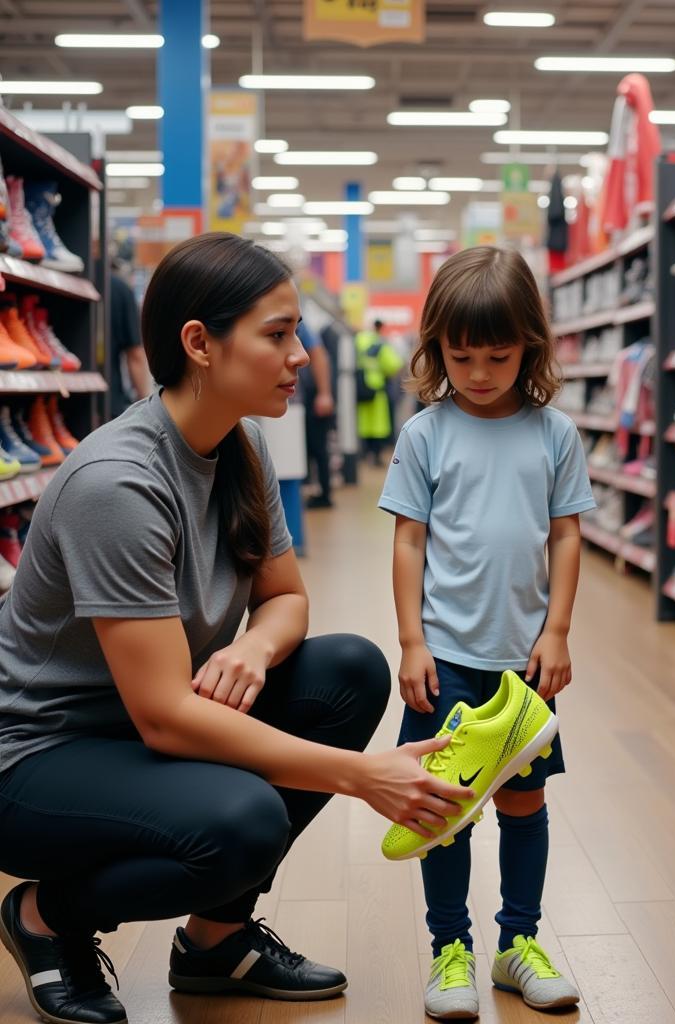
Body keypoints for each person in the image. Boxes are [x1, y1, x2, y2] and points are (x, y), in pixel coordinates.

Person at [0, 233, 473, 1024]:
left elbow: (286, 598)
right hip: (44, 760)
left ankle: (215, 942)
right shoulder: (117, 484)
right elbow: (163, 716)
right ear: (200, 345)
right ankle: (47, 918)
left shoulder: (242, 446)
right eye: (277, 334)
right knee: (244, 823)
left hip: (149, 727)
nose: (301, 356)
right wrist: (364, 778)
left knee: (351, 669)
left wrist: (253, 646)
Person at [378, 246, 596, 1019]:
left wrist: (559, 630)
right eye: (459, 355)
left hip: (524, 666)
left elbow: (567, 536)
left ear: (529, 346)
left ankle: (517, 943)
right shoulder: (426, 434)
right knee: (444, 813)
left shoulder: (554, 433)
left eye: (497, 356)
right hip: (445, 660)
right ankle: (449, 950)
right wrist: (411, 641)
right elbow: (408, 541)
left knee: (525, 807)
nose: (477, 371)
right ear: (436, 348)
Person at [298, 321, 336, 508]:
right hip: (307, 398)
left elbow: (319, 356)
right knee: (314, 448)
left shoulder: (303, 327)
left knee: (318, 448)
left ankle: (324, 495)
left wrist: (324, 394)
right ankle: (320, 492)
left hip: (312, 398)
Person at [355, 318, 402, 466]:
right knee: (378, 425)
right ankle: (376, 456)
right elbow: (394, 365)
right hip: (377, 389)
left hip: (360, 387)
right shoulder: (380, 343)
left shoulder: (358, 340)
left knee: (364, 424)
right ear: (380, 328)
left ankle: (365, 454)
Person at [108, 262, 151, 417]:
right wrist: (145, 402)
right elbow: (135, 355)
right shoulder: (120, 289)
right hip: (110, 397)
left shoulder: (76, 279)